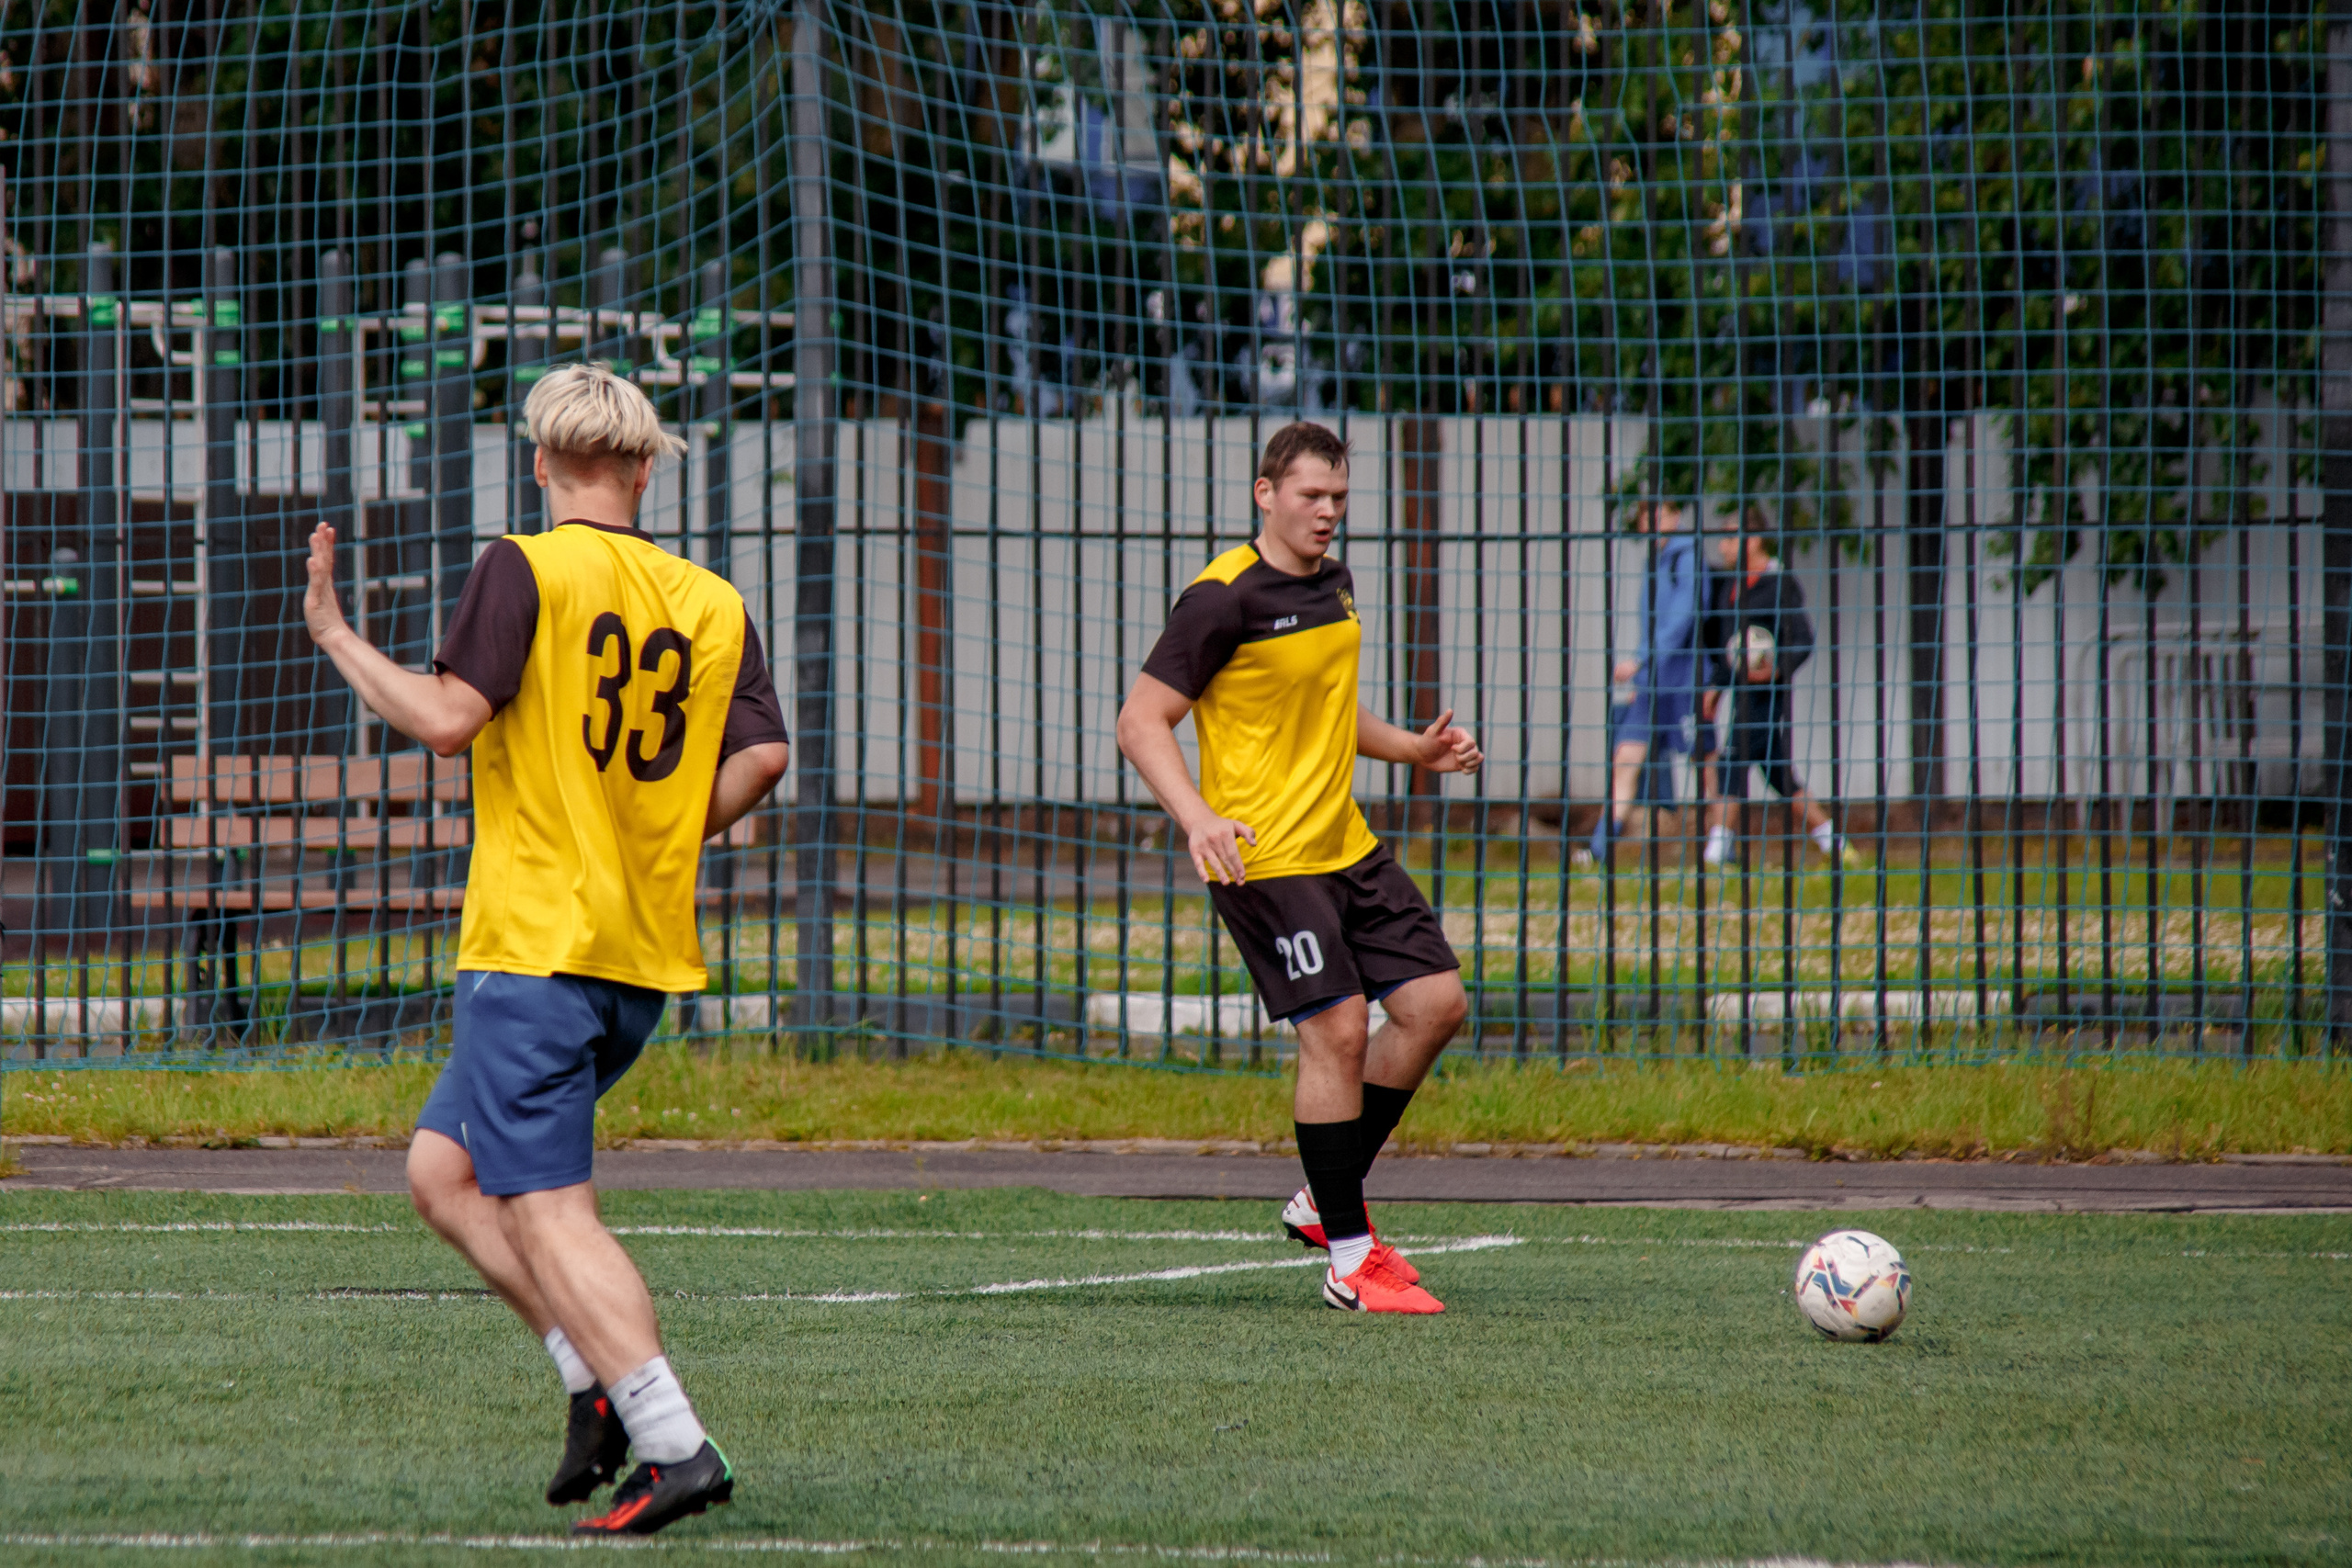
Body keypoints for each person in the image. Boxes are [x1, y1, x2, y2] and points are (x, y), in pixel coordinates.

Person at [301, 363, 791, 1535]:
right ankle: (593, 1378)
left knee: (551, 1209)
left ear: (538, 464)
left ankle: (674, 1441)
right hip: (635, 956)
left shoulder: (524, 562)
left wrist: (332, 630)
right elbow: (764, 762)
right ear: (640, 467)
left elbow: (445, 720)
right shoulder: (712, 599)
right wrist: (666, 822)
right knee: (441, 1173)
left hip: (535, 947)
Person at [1116, 421, 1483, 1315]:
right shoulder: (1220, 599)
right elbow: (1139, 720)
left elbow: (1326, 707)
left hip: (1344, 843)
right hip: (1265, 857)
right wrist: (1197, 815)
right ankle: (1350, 1262)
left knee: (1436, 1006)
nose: (1326, 513)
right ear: (1265, 494)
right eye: (1310, 496)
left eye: (1337, 499)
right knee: (1338, 1034)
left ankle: (1325, 1194)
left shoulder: (1332, 583)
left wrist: (1412, 750)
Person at [1694, 513, 1865, 869]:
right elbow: (1730, 647)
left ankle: (1718, 849)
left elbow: (1802, 639)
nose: (1722, 546)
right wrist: (1718, 686)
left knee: (1730, 764)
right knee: (1780, 777)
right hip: (1742, 693)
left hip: (1767, 696)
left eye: (1729, 538)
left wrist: (1775, 670)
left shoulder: (1778, 583)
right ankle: (1835, 843)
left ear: (1753, 540)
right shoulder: (1732, 585)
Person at [1578, 498, 1701, 867]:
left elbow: (1681, 621)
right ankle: (1599, 848)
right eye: (1648, 517)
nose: (1652, 523)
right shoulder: (1657, 561)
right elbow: (1653, 622)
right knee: (1625, 759)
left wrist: (1640, 661)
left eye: (1660, 515)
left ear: (1676, 516)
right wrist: (1644, 672)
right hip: (1651, 682)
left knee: (1706, 763)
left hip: (1683, 680)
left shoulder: (1686, 557)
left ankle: (1718, 844)